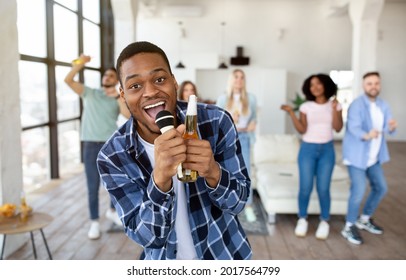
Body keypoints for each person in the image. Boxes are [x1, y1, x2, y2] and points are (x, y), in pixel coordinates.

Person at [96, 41, 252, 260]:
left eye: (159, 79)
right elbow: (148, 237)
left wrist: (213, 172)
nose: (150, 92)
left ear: (174, 81)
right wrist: (159, 179)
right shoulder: (112, 156)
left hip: (225, 255)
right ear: (122, 94)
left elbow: (239, 203)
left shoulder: (216, 122)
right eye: (135, 86)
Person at [64, 54, 129, 240]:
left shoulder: (117, 98)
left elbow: (126, 114)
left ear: (117, 80)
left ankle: (111, 211)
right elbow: (68, 80)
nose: (107, 77)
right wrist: (80, 63)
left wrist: (118, 95)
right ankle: (94, 222)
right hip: (90, 145)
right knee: (92, 186)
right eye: (106, 75)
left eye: (111, 76)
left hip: (109, 145)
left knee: (113, 182)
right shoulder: (90, 93)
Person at [281, 73, 343, 240]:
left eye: (318, 84)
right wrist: (291, 113)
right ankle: (302, 219)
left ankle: (324, 221)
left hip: (327, 151)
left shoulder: (335, 105)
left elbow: (338, 128)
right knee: (305, 188)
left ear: (326, 85)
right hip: (307, 149)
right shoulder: (306, 107)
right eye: (311, 85)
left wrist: (335, 109)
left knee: (323, 188)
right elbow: (302, 129)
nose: (315, 87)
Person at [341, 71, 397, 245]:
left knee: (381, 188)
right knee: (358, 191)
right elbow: (353, 128)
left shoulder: (383, 105)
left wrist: (392, 127)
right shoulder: (357, 105)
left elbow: (389, 128)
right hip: (357, 156)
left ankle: (364, 219)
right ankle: (349, 226)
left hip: (374, 157)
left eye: (376, 83)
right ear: (364, 86)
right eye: (369, 83)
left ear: (379, 85)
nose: (373, 86)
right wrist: (366, 135)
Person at [216, 69, 258, 223]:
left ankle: (248, 206)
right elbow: (217, 123)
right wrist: (229, 120)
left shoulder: (251, 99)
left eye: (242, 77)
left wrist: (253, 124)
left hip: (244, 138)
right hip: (228, 139)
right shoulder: (223, 99)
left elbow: (253, 118)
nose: (239, 80)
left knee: (245, 173)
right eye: (236, 77)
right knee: (226, 172)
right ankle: (227, 206)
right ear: (231, 79)